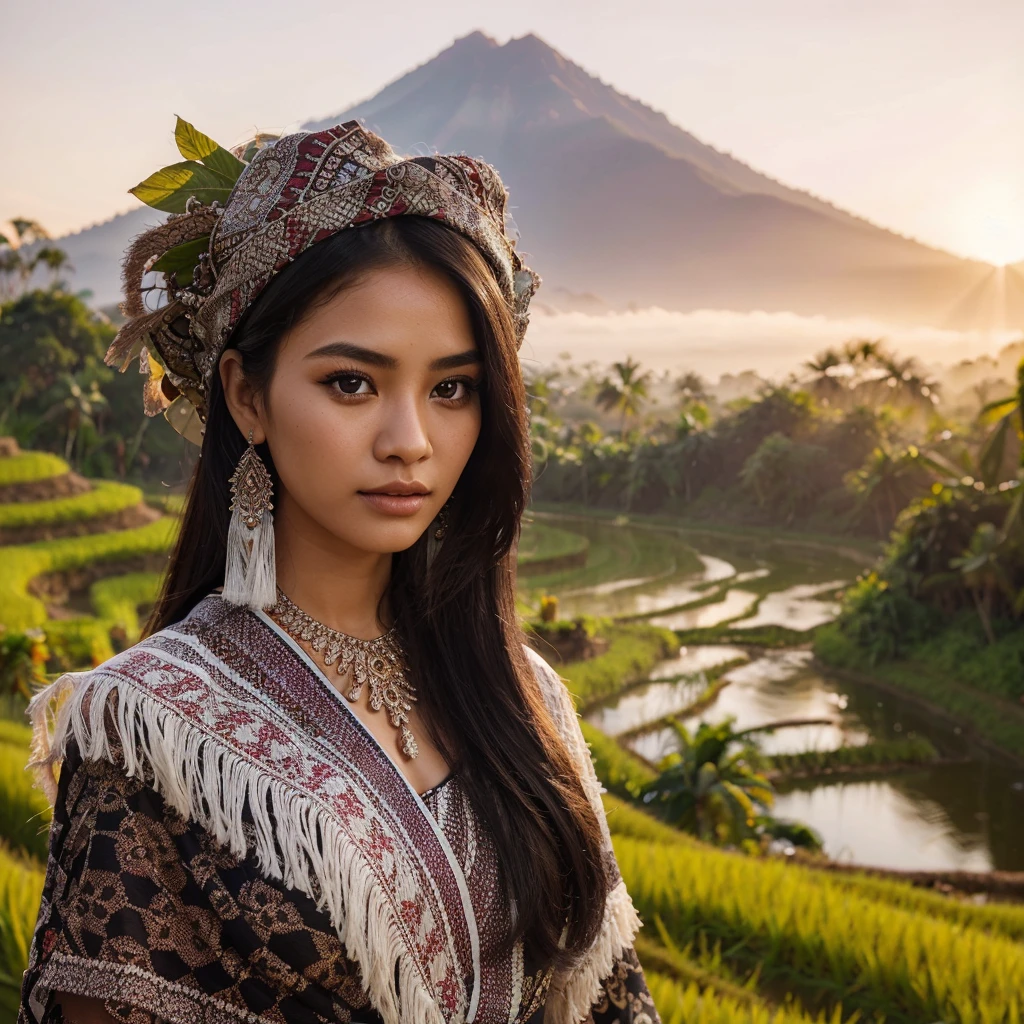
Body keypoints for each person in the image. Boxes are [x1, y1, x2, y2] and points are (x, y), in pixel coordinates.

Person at [19, 119, 661, 1024]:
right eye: (352, 383)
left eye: (452, 389)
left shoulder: (522, 694)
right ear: (247, 395)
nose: (411, 442)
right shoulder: (147, 735)